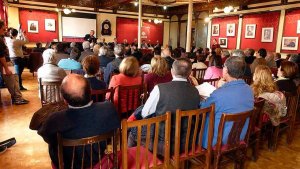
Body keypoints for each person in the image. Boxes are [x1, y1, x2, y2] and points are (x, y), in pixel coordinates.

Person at [37, 74, 120, 169]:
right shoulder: (109, 108)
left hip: (67, 164)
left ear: (64, 100)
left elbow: (47, 137)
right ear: (90, 92)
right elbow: (114, 130)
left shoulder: (54, 119)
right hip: (99, 160)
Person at [135, 58, 200, 155]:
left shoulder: (159, 88)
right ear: (190, 72)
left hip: (162, 144)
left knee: (133, 131)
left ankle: (136, 160)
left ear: (172, 71)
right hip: (187, 143)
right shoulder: (195, 91)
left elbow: (145, 114)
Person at [200, 56, 254, 148]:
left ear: (226, 70)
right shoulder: (249, 90)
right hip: (239, 136)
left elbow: (202, 107)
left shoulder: (219, 94)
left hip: (217, 141)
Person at [0, 20, 29, 105]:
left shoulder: (5, 39)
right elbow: (1, 55)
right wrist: (6, 67)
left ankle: (17, 98)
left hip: (9, 61)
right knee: (12, 81)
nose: (5, 28)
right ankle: (17, 99)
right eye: (3, 27)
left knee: (14, 79)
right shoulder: (2, 39)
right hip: (6, 63)